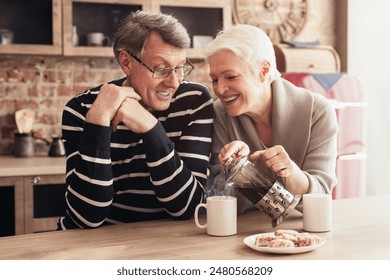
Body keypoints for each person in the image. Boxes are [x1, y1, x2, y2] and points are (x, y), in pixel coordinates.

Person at [57, 11, 213, 229]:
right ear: (126, 62)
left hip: (161, 244)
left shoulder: (193, 100)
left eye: (180, 68)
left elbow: (188, 206)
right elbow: (86, 217)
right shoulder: (82, 108)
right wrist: (98, 122)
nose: (174, 82)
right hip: (93, 245)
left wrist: (151, 128)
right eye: (161, 69)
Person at [204, 24, 338, 212]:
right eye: (215, 79)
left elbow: (321, 197)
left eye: (231, 77)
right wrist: (238, 168)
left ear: (263, 71)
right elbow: (219, 199)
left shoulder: (317, 112)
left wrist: (290, 173)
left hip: (301, 231)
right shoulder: (219, 113)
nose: (219, 89)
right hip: (242, 231)